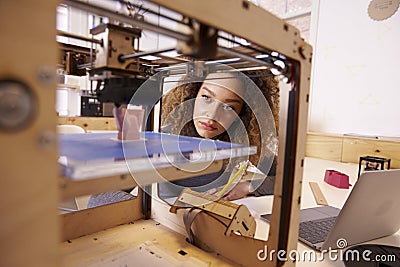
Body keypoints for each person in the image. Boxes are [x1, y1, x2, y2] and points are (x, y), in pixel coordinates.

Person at [158, 68, 280, 201]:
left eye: (229, 107)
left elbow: (286, 178)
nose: (212, 116)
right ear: (193, 95)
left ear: (242, 114)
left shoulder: (241, 143)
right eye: (206, 98)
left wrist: (248, 186)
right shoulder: (164, 136)